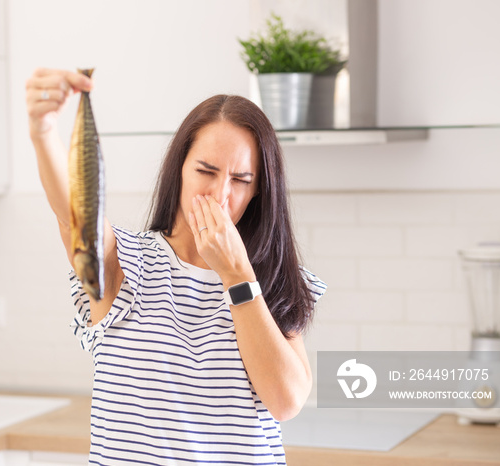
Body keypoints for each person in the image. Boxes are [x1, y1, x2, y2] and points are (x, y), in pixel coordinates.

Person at [26, 68, 326, 466]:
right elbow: (73, 217)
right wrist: (43, 132)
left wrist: (237, 276)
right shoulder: (127, 265)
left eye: (240, 179)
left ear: (258, 190)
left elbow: (286, 401)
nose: (220, 194)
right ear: (180, 169)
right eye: (206, 171)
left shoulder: (269, 282)